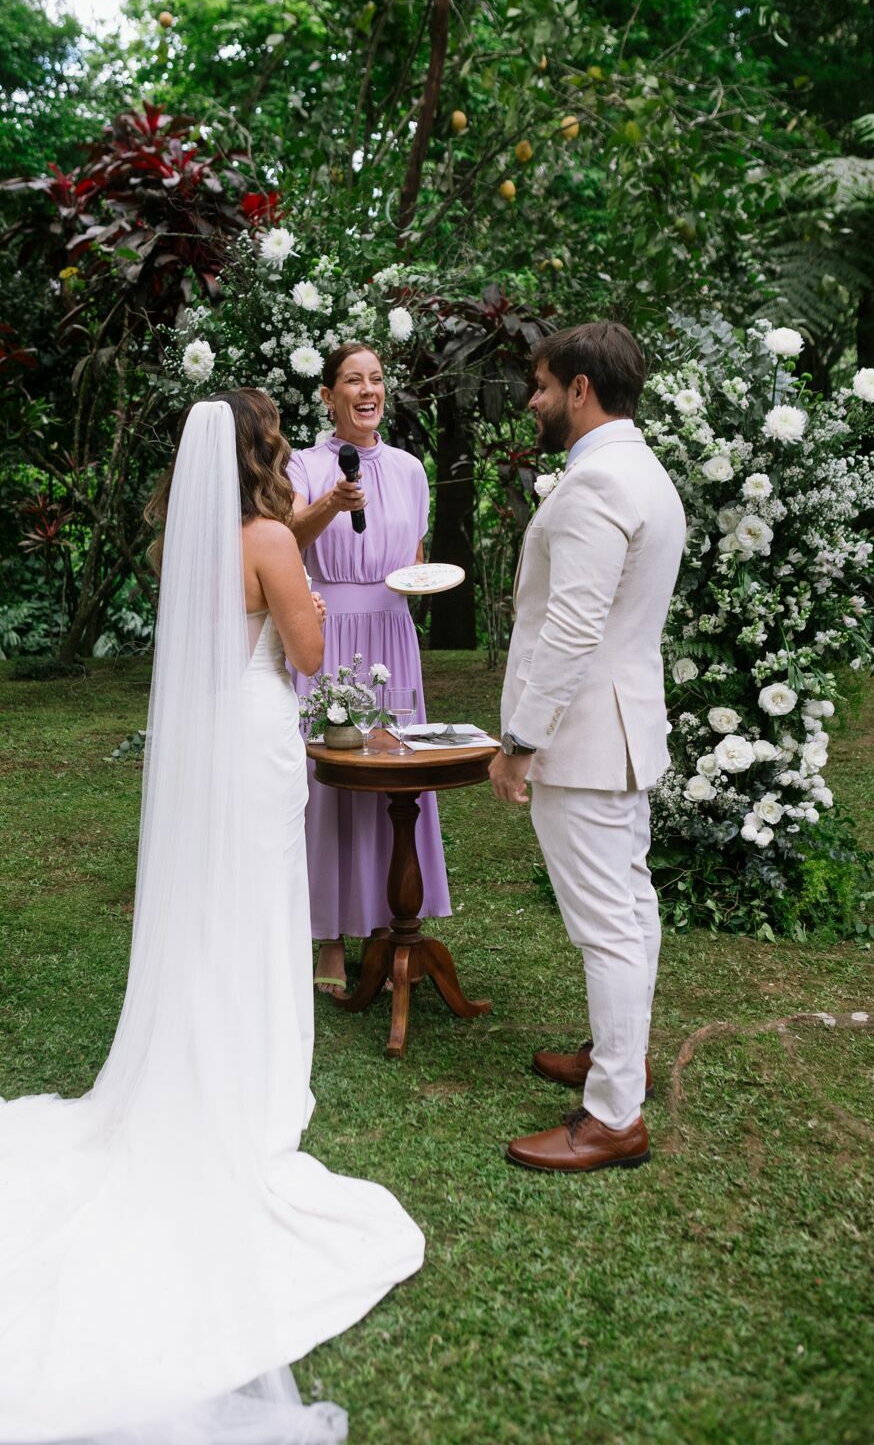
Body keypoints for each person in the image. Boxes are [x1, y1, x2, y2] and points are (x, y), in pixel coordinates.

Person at [0, 391, 424, 1443]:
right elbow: (312, 653)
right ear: (264, 450)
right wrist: (311, 590)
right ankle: (254, 1078)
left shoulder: (182, 547)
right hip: (261, 737)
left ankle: (199, 1054)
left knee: (207, 909)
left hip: (208, 744)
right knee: (260, 905)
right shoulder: (274, 537)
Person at [489, 323, 686, 1174]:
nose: (532, 401)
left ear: (578, 388)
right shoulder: (642, 469)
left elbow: (571, 627)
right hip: (623, 724)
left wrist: (520, 741)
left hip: (583, 737)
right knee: (629, 909)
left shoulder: (598, 480)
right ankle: (620, 1060)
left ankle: (612, 1117)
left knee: (606, 924)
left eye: (539, 386)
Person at [288, 342, 452, 992]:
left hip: (392, 632)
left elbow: (411, 555)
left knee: (394, 778)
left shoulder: (412, 469)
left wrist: (417, 587)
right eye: (352, 380)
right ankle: (326, 937)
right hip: (329, 633)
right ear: (327, 396)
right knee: (327, 783)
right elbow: (287, 541)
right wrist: (332, 501)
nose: (367, 389)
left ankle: (388, 926)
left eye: (376, 379)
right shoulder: (302, 465)